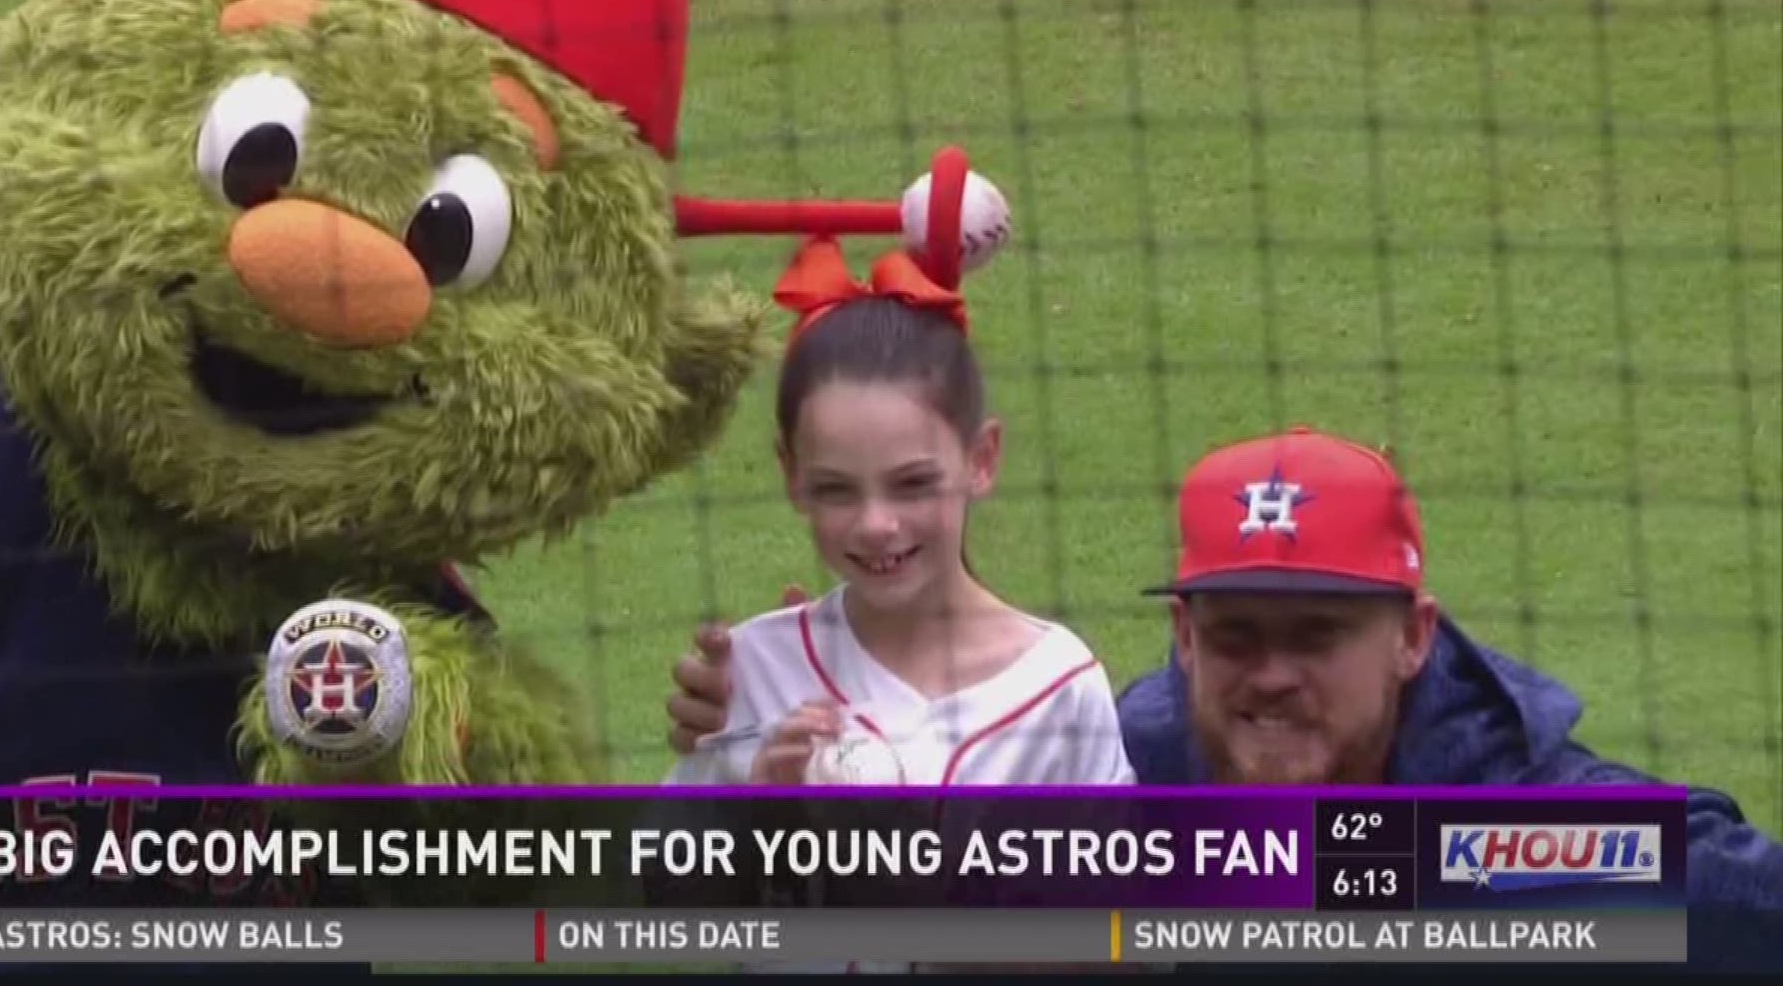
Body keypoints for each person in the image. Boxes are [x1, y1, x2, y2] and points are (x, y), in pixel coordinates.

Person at [666, 426, 1783, 970]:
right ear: (1185, 639)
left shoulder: (1526, 830)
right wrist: (776, 733)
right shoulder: (1128, 770)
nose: (1272, 675)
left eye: (1318, 636)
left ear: (1412, 639)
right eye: (1238, 635)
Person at [666, 236, 1134, 792]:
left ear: (981, 459)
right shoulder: (754, 673)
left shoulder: (1060, 687)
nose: (876, 525)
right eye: (836, 490)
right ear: (792, 475)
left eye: (912, 484)